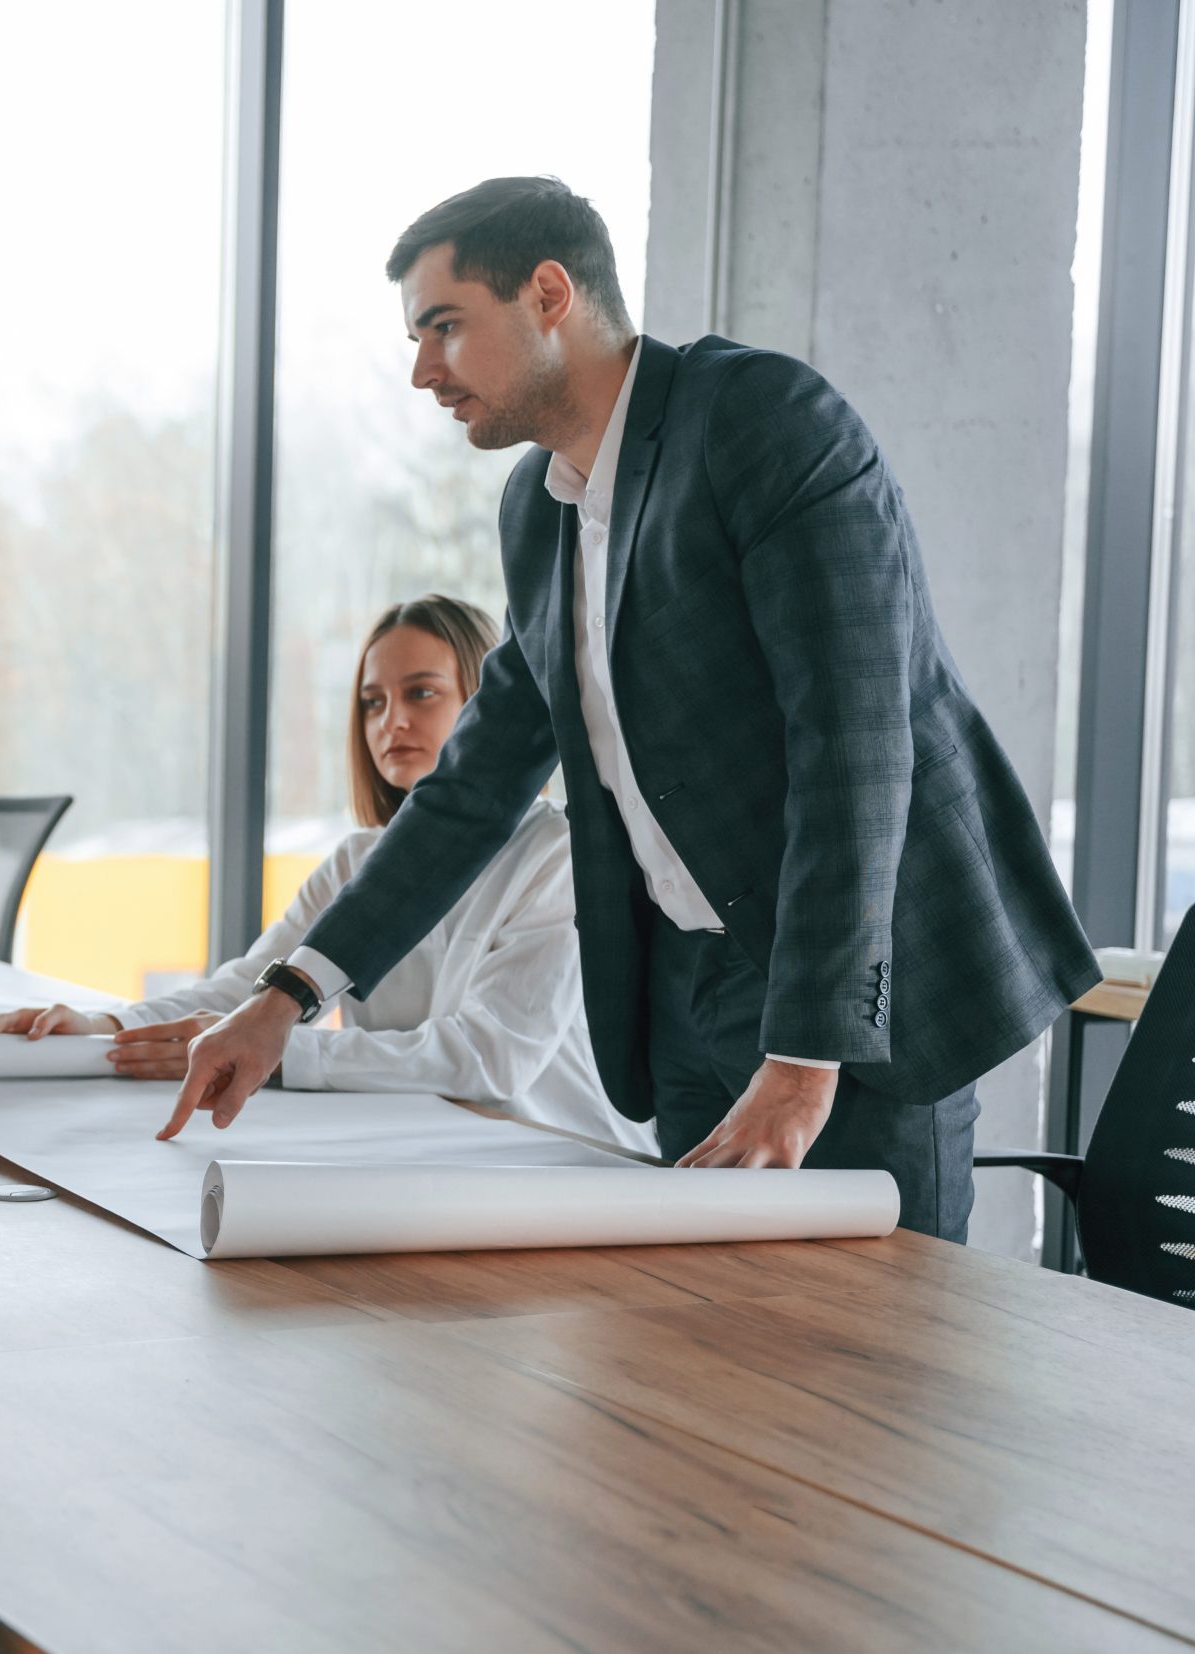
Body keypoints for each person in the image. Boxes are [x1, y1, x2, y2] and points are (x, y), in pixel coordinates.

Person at [166, 177, 1097, 1242]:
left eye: (444, 328)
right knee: (701, 1352)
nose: (422, 370)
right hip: (689, 995)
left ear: (548, 294)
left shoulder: (761, 423)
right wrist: (285, 999)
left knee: (873, 1371)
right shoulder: (539, 505)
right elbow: (470, 789)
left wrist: (801, 1064)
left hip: (844, 1003)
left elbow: (854, 749)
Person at [0, 594, 651, 1155]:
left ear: (486, 705)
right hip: (422, 1156)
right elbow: (249, 991)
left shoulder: (558, 853)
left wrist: (282, 1054)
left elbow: (490, 1059)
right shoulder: (357, 862)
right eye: (371, 702)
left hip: (559, 1166)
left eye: (421, 693)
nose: (392, 721)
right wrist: (106, 1027)